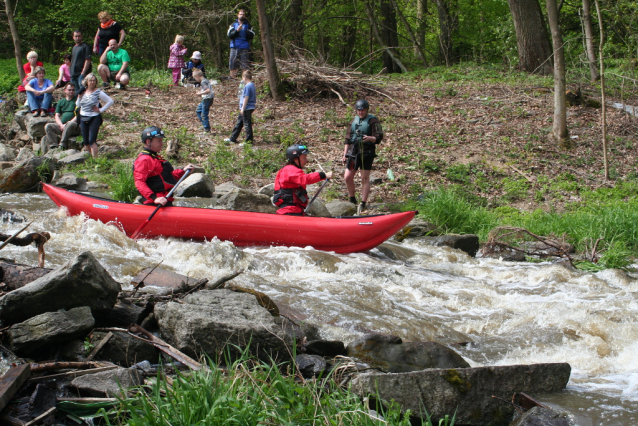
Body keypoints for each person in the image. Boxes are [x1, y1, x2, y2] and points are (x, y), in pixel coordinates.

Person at [133, 126, 194, 206]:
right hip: (155, 203)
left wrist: (183, 171)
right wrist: (154, 198)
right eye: (159, 141)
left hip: (165, 200)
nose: (162, 143)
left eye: (161, 140)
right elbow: (139, 182)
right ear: (148, 142)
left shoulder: (155, 158)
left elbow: (167, 178)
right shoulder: (144, 160)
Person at [342, 99, 384, 210]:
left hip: (367, 152)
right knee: (347, 177)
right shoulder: (353, 122)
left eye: (363, 110)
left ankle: (363, 202)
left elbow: (379, 137)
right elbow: (347, 139)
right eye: (359, 110)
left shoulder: (373, 121)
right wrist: (345, 154)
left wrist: (370, 138)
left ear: (366, 110)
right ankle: (352, 198)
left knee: (364, 178)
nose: (361, 112)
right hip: (353, 152)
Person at [273, 144, 332, 215]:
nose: (306, 160)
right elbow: (306, 179)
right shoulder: (290, 169)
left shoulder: (291, 169)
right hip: (290, 210)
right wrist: (323, 175)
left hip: (295, 209)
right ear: (295, 159)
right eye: (304, 157)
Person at [77, 73, 114, 158]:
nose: (92, 82)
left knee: (92, 140)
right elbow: (78, 105)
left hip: (94, 117)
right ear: (87, 81)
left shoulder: (98, 92)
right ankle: (88, 159)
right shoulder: (83, 91)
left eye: (94, 80)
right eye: (90, 80)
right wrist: (79, 97)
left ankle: (95, 159)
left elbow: (110, 101)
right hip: (83, 116)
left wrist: (100, 110)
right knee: (85, 141)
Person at [43, 83, 81, 153]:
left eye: (73, 90)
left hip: (74, 126)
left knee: (70, 123)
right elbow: (57, 115)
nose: (71, 91)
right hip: (62, 126)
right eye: (69, 90)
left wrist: (67, 124)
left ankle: (62, 144)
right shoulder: (61, 102)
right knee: (48, 126)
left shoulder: (77, 101)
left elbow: (78, 115)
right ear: (65, 90)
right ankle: (54, 144)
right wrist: (61, 125)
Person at [224, 70, 255, 144]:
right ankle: (232, 138)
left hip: (246, 108)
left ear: (244, 78)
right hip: (248, 107)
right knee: (239, 123)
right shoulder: (252, 85)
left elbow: (246, 98)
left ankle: (249, 141)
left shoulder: (247, 86)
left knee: (247, 124)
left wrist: (242, 108)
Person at [227, 9, 254, 79]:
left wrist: (245, 31)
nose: (242, 16)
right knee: (233, 65)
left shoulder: (248, 25)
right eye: (240, 14)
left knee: (245, 65)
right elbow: (229, 35)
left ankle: (244, 80)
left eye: (243, 14)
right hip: (234, 46)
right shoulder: (233, 25)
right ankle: (233, 79)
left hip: (244, 47)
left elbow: (252, 35)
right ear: (238, 15)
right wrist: (237, 31)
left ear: (245, 16)